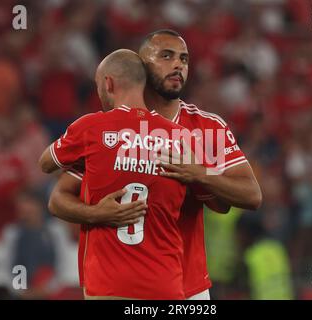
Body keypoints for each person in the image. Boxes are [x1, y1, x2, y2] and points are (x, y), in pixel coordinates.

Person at [40, 29, 262, 300]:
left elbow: (251, 195)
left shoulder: (207, 128)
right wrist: (95, 213)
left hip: (187, 284)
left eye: (184, 59)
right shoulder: (114, 129)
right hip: (117, 284)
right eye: (166, 56)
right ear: (141, 67)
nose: (178, 64)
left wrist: (200, 174)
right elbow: (59, 197)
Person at [41, 49, 196, 299]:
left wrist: (96, 214)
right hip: (167, 285)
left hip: (109, 285)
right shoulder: (179, 139)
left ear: (108, 83)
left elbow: (45, 163)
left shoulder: (91, 129)